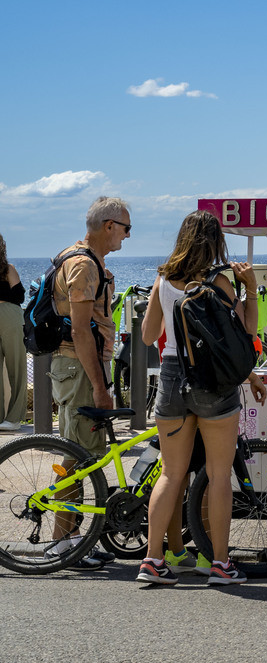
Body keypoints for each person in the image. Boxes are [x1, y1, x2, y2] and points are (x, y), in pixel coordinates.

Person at [137, 210, 267, 585]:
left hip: (172, 377)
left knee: (171, 472)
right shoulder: (220, 281)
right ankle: (220, 564)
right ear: (215, 242)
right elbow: (244, 333)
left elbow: (148, 336)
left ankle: (152, 560)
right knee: (217, 474)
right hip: (213, 384)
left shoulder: (162, 279)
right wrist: (250, 289)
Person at [43, 197, 127, 568]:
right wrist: (100, 386)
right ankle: (62, 543)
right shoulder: (83, 265)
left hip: (77, 365)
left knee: (82, 454)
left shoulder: (82, 259)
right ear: (109, 225)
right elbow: (79, 331)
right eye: (126, 228)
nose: (127, 235)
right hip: (79, 367)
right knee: (78, 455)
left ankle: (72, 538)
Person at [0, 232, 26, 431]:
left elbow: (19, 297)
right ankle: (11, 419)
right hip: (10, 313)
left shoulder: (8, 269)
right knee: (16, 367)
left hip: (9, 315)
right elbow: (19, 295)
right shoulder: (8, 269)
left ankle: (14, 418)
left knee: (16, 366)